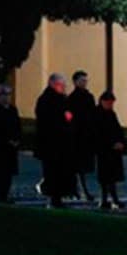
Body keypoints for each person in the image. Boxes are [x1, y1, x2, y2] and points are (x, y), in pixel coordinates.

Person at [34, 73, 76, 207]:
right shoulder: (46, 99)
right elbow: (47, 121)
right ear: (52, 84)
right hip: (51, 144)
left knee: (62, 172)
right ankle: (54, 198)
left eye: (64, 85)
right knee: (52, 172)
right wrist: (65, 118)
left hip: (63, 144)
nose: (63, 87)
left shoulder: (62, 99)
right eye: (60, 85)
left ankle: (59, 197)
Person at [92, 90, 126, 209]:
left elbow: (117, 129)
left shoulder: (111, 114)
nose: (111, 105)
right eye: (109, 102)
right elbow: (98, 133)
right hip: (104, 150)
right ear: (103, 101)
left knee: (111, 177)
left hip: (112, 150)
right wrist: (112, 144)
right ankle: (105, 199)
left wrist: (120, 142)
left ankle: (112, 199)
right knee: (105, 177)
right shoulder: (97, 114)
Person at [68, 69, 97, 201]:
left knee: (83, 167)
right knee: (76, 167)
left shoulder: (89, 97)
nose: (85, 83)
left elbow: (93, 114)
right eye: (82, 80)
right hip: (76, 136)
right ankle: (78, 190)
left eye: (86, 81)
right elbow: (68, 116)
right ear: (75, 82)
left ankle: (79, 190)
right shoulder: (71, 99)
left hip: (87, 136)